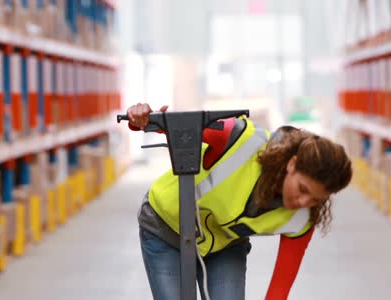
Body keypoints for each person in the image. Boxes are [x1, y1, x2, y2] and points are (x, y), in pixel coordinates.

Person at [127, 103, 353, 300]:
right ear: (292, 164)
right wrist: (142, 118)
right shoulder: (241, 141)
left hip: (223, 244)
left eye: (315, 199)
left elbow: (278, 291)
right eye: (303, 189)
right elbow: (181, 126)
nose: (303, 201)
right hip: (164, 226)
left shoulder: (303, 218)